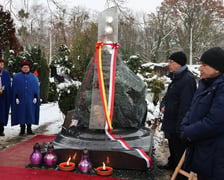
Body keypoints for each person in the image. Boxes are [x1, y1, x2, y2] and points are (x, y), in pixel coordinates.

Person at [180, 47, 224, 180]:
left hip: (216, 153)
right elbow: (192, 109)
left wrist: (188, 132)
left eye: (204, 65)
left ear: (217, 68)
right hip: (202, 149)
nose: (200, 68)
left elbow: (215, 122)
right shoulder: (204, 85)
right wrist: (184, 126)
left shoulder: (221, 88)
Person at [159, 51, 196, 171]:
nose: (168, 64)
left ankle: (180, 172)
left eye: (171, 62)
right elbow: (168, 96)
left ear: (179, 63)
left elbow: (186, 105)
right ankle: (172, 164)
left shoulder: (187, 80)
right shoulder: (176, 78)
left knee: (179, 148)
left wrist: (181, 126)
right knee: (172, 145)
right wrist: (163, 105)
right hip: (171, 120)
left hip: (177, 123)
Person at [11, 61, 40, 136]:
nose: (26, 69)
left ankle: (29, 128)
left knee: (30, 113)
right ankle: (22, 129)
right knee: (21, 113)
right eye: (24, 67)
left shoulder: (33, 77)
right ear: (21, 68)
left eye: (27, 67)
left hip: (30, 99)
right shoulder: (17, 77)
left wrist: (36, 97)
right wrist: (16, 97)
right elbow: (14, 89)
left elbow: (36, 88)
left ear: (29, 68)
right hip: (21, 99)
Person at [0, 58, 11, 136]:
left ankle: (1, 129)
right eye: (0, 64)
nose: (1, 65)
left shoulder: (6, 73)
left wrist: (4, 89)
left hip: (3, 96)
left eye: (2, 64)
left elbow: (8, 84)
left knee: (2, 113)